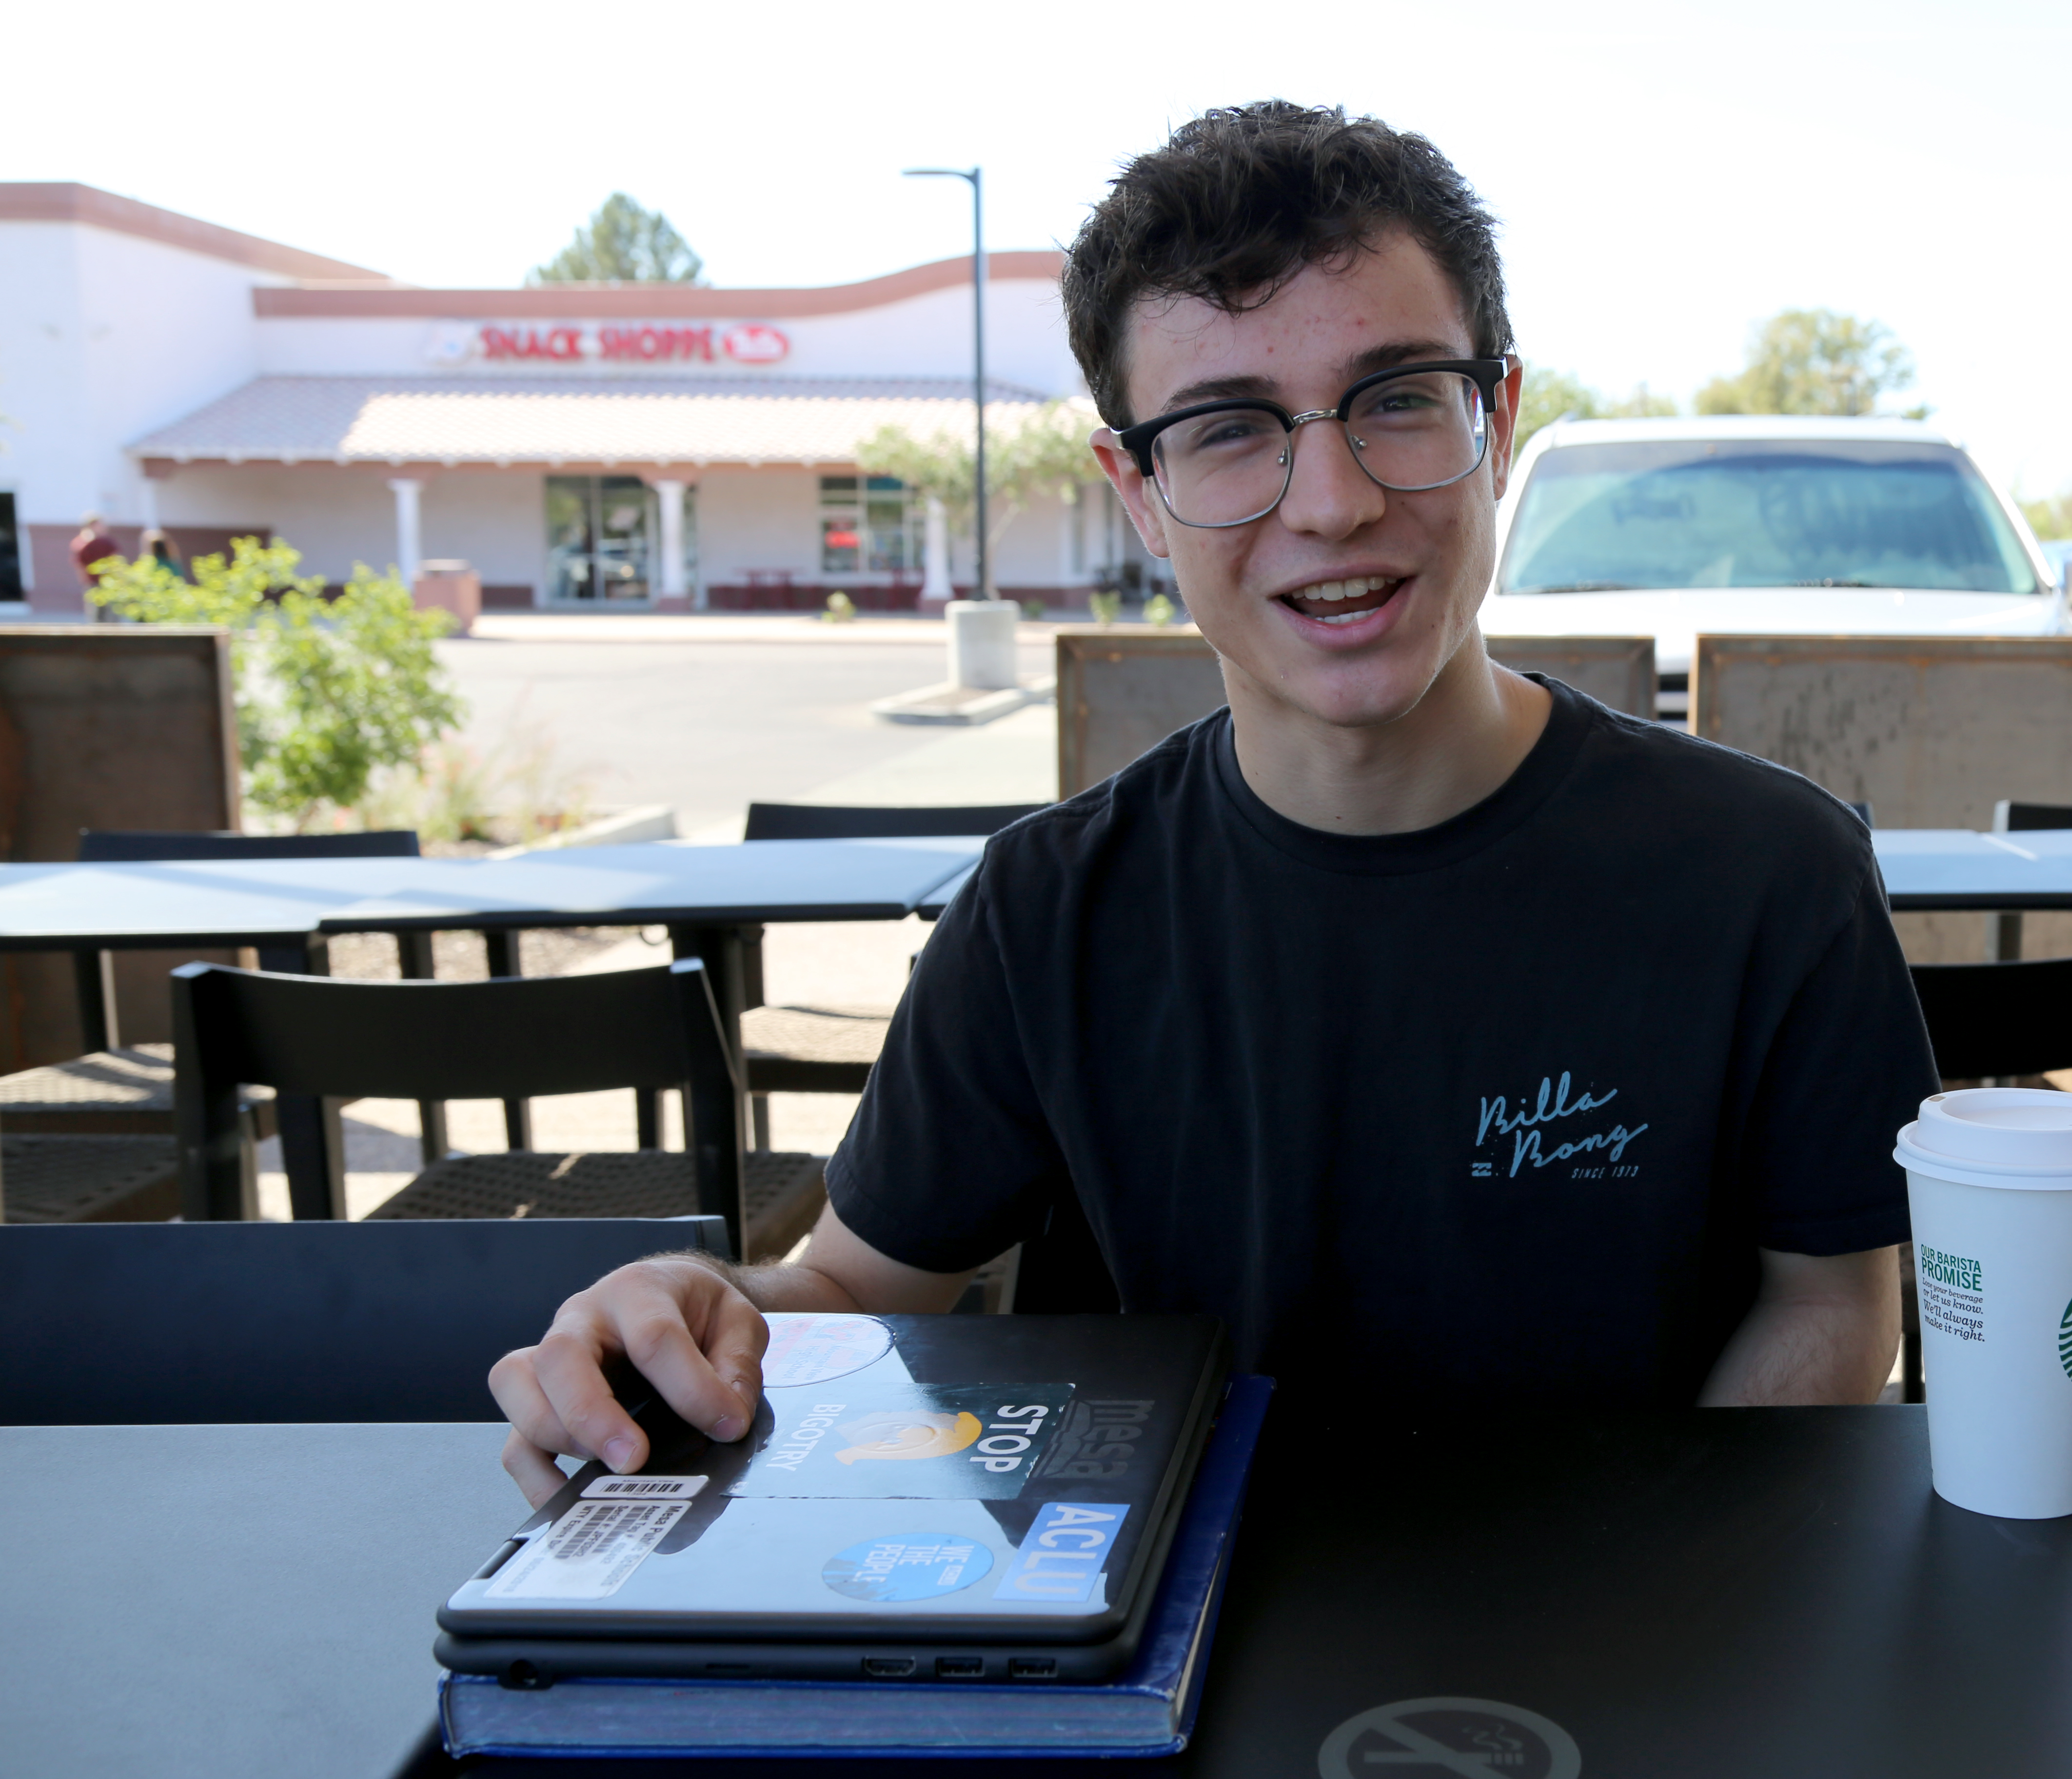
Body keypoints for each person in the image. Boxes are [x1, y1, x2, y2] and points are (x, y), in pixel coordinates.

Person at [492, 103, 1940, 1508]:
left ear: (1495, 417)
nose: (1331, 501)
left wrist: (1657, 1584)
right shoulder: (1046, 911)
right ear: (1138, 491)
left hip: (1633, 1668)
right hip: (1156, 1678)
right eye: (1230, 429)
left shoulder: (1767, 870)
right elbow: (853, 1292)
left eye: (1395, 399)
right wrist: (693, 1306)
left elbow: (1831, 1299)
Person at [68, 513, 120, 590]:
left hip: (109, 581)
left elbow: (115, 560)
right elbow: (80, 564)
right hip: (92, 583)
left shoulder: (107, 542)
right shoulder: (81, 543)